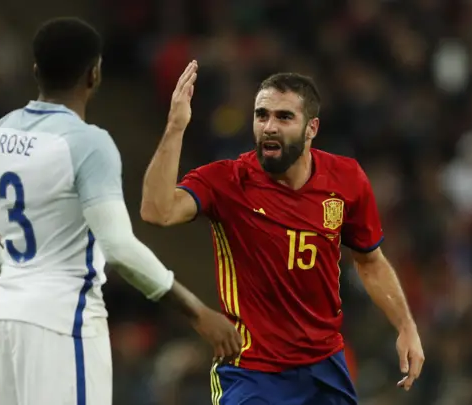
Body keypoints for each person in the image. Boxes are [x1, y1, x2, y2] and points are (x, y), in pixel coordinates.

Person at [0, 19, 241, 405]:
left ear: (36, 71)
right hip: (63, 323)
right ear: (95, 73)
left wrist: (21, 278)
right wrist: (197, 311)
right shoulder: (88, 144)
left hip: (3, 321)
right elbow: (118, 247)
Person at [141, 61, 425, 404]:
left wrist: (406, 326)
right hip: (252, 371)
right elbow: (157, 211)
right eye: (262, 115)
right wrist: (175, 127)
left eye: (284, 117)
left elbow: (371, 262)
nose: (269, 127)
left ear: (311, 128)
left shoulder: (346, 179)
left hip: (324, 366)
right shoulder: (226, 181)